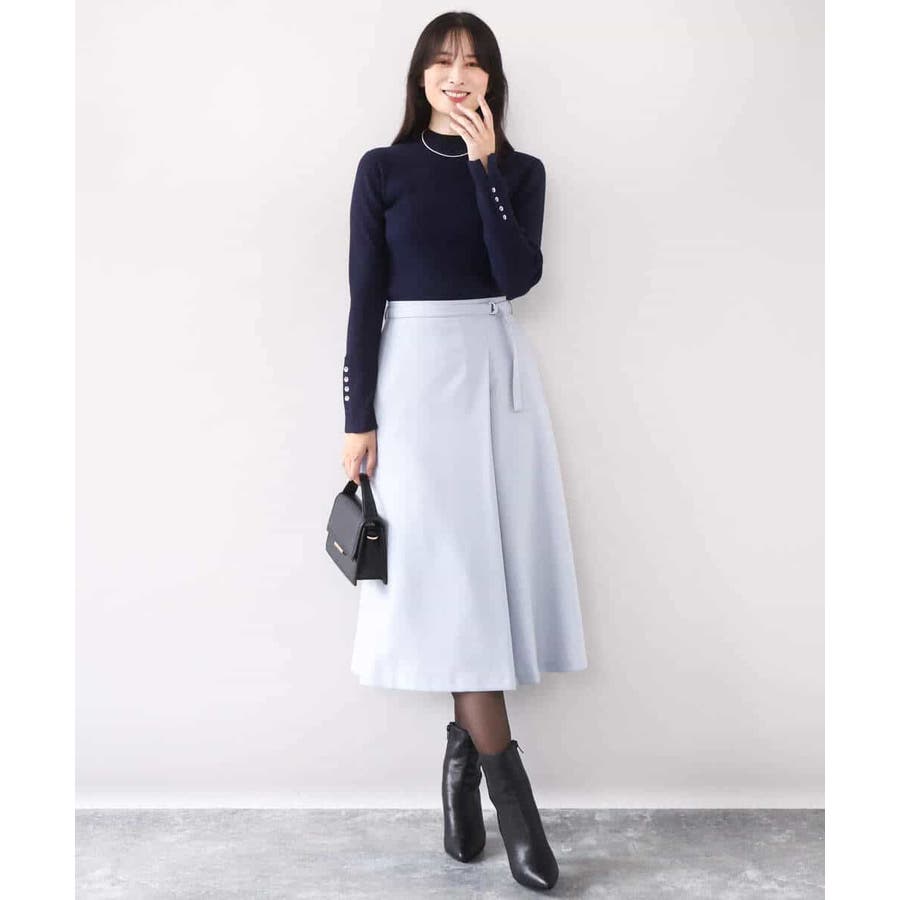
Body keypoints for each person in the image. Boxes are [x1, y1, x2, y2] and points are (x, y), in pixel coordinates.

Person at [339, 12, 588, 891]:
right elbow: (364, 295)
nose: (459, 75)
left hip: (495, 380)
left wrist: (485, 170)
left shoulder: (522, 171)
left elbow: (516, 277)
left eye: (474, 63)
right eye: (443, 62)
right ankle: (516, 806)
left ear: (492, 81)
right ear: (420, 77)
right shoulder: (383, 169)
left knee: (483, 578)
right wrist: (356, 416)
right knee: (453, 579)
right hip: (412, 385)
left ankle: (461, 764)